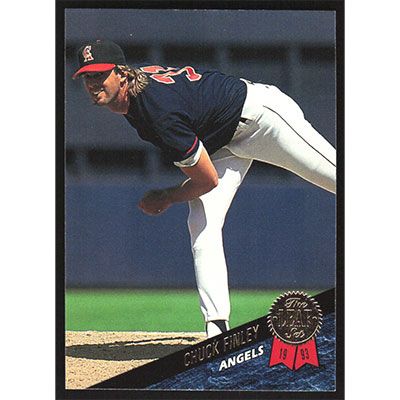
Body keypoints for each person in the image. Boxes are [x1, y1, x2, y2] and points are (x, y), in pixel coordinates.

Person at [72, 39, 336, 338]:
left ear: (121, 73)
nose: (92, 83)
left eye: (100, 74)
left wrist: (166, 196)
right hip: (221, 140)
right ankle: (217, 329)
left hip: (262, 118)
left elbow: (207, 180)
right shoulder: (137, 94)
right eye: (87, 76)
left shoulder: (157, 112)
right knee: (201, 224)